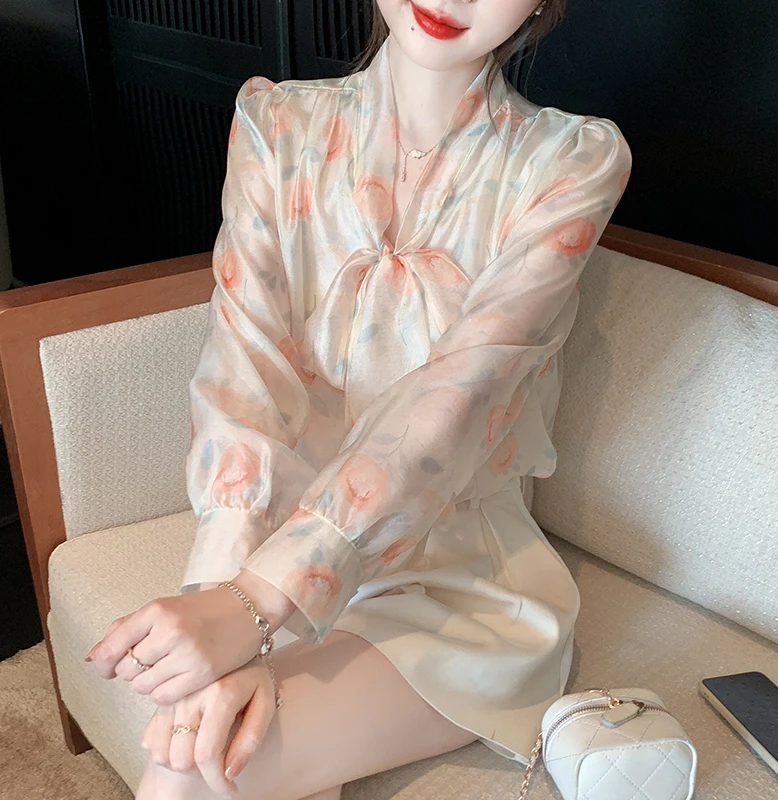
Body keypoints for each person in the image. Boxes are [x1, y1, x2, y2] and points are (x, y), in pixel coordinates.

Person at [85, 1, 632, 798]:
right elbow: (243, 375)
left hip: (458, 585)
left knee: (195, 771)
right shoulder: (277, 126)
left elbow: (453, 403)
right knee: (204, 746)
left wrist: (253, 608)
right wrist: (223, 598)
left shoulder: (569, 164)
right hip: (275, 543)